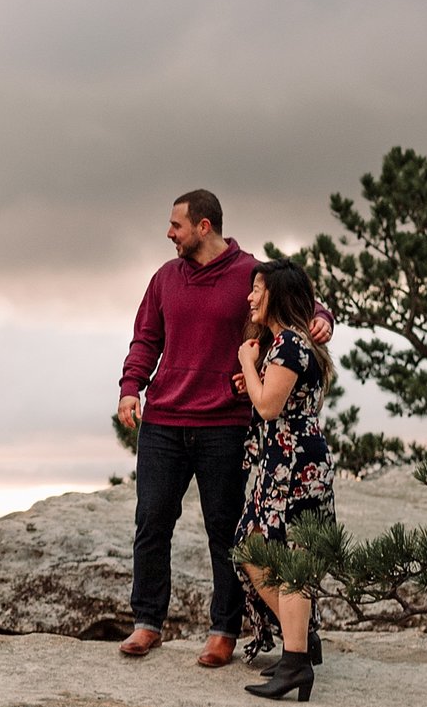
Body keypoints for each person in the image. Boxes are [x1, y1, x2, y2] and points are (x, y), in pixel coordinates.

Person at [114, 191, 329, 666]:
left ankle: (223, 631)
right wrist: (132, 387)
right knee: (151, 522)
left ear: (204, 226)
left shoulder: (249, 275)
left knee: (224, 531)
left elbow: (302, 299)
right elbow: (146, 337)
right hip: (165, 422)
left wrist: (322, 318)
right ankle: (147, 623)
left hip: (224, 425)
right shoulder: (165, 278)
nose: (169, 233)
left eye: (177, 225)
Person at [232, 259, 336, 701]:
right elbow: (275, 397)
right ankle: (300, 643)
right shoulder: (286, 344)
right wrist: (254, 376)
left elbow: (270, 407)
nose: (250, 297)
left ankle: (296, 661)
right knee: (255, 549)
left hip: (293, 463)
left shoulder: (288, 344)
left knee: (289, 557)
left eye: (257, 289)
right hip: (284, 459)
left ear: (276, 294)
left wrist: (245, 359)